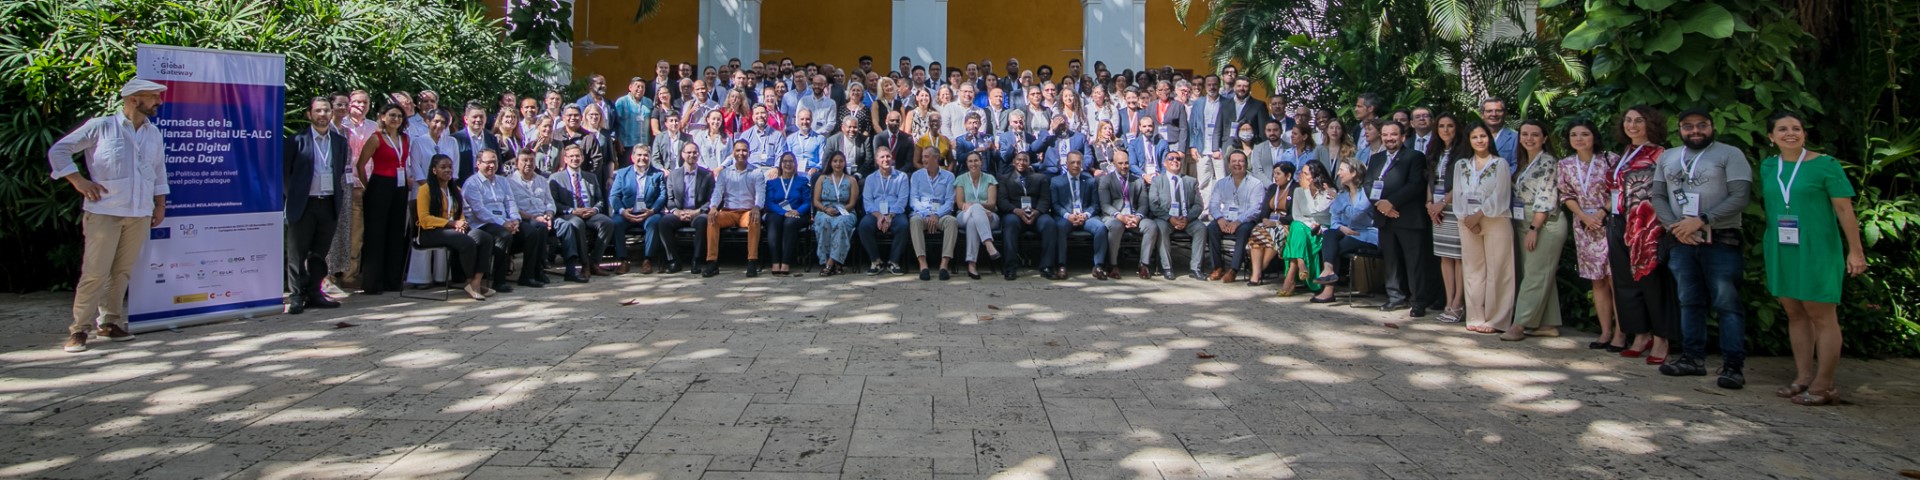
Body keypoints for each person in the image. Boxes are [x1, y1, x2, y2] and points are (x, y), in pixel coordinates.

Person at [1759, 111, 1866, 406]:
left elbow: (1845, 210)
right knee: (1794, 312)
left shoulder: (1826, 165)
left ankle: (1824, 383)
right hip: (1782, 248)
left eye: (1796, 128)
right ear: (1771, 137)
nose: (1790, 133)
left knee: (1821, 314)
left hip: (1817, 249)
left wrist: (1855, 250)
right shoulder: (1769, 166)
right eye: (1782, 129)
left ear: (1804, 134)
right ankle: (1803, 376)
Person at [1651, 108, 1753, 387]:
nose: (1695, 131)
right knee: (1689, 301)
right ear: (1680, 129)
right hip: (1682, 240)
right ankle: (1692, 359)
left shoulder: (1730, 154)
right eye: (1688, 126)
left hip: (1720, 238)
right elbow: (1657, 195)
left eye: (1701, 125)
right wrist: (1676, 227)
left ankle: (1733, 366)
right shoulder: (1669, 156)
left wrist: (1702, 220)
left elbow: (1740, 196)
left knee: (1727, 304)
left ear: (1712, 126)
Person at [1609, 105, 1679, 363]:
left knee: (1652, 282)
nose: (1632, 125)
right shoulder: (1624, 153)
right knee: (1625, 283)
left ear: (1651, 123)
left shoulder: (1661, 154)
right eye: (1628, 120)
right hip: (1618, 222)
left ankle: (1661, 339)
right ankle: (1640, 334)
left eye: (1639, 120)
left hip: (1647, 227)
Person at [284, 95, 351, 315]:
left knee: (319, 254)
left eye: (326, 111)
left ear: (332, 114)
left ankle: (314, 292)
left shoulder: (340, 142)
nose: (322, 115)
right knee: (297, 253)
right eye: (318, 111)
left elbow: (340, 170)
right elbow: (285, 174)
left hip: (329, 203)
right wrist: (291, 196)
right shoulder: (296, 141)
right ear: (309, 114)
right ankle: (296, 296)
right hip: (304, 204)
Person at [1558, 119, 1620, 349]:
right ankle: (1605, 331)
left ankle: (1621, 333)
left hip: (1608, 223)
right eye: (1574, 134)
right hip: (1584, 226)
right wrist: (1584, 217)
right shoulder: (1565, 164)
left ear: (1594, 136)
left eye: (1585, 134)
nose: (1580, 139)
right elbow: (1565, 195)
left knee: (1615, 278)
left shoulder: (1609, 159)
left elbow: (1618, 190)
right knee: (1597, 281)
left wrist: (1602, 214)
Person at [1367, 121, 1436, 317]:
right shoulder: (1376, 158)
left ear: (1403, 136)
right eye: (1386, 135)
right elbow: (1368, 184)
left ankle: (1418, 301)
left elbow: (1415, 185)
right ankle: (1395, 297)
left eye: (1393, 134)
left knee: (1414, 262)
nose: (1389, 138)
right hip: (1384, 217)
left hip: (1408, 218)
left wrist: (1392, 203)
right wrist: (1381, 205)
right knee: (1391, 260)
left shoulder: (1414, 157)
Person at [1506, 119, 1567, 340]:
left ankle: (1519, 325)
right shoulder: (1525, 162)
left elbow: (1546, 198)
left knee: (1534, 275)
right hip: (1525, 221)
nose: (1529, 138)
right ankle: (1547, 324)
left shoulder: (1548, 161)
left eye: (1534, 134)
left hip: (1544, 223)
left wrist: (1534, 227)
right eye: (1525, 134)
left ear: (1544, 138)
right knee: (1539, 272)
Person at [1454, 123, 1516, 334]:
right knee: (1473, 269)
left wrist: (1478, 215)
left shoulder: (1500, 164)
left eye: (1483, 136)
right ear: (1468, 141)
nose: (1479, 140)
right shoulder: (1461, 165)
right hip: (1467, 222)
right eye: (1474, 137)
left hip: (1495, 219)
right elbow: (1459, 194)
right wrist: (1467, 218)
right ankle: (1475, 316)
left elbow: (1501, 196)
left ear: (1489, 139)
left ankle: (1497, 319)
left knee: (1499, 269)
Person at [414, 155, 494, 301]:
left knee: (485, 238)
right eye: (443, 167)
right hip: (431, 232)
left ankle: (476, 282)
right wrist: (452, 224)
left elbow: (461, 215)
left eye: (450, 167)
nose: (448, 170)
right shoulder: (425, 190)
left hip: (454, 230)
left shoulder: (455, 189)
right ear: (434, 170)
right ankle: (469, 282)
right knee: (466, 242)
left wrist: (461, 224)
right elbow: (424, 219)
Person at [354, 103, 414, 295]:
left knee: (396, 234)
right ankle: (373, 282)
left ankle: (392, 280)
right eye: (392, 115)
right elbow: (361, 164)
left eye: (399, 116)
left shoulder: (405, 139)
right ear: (382, 117)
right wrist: (368, 186)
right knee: (376, 235)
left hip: (400, 186)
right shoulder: (376, 138)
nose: (395, 119)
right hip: (379, 186)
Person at [1311, 159, 1379, 303]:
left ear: (1353, 173)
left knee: (1334, 247)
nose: (1339, 173)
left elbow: (1356, 213)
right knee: (1329, 233)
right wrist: (1342, 228)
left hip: (1366, 233)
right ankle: (1328, 270)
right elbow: (1334, 219)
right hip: (1347, 230)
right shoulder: (1342, 195)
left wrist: (1337, 200)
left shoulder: (1365, 193)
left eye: (1342, 170)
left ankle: (1328, 290)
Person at [550, 144, 616, 282]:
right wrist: (572, 211)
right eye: (571, 156)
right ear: (565, 159)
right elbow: (554, 203)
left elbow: (600, 200)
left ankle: (595, 262)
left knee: (608, 223)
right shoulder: (556, 178)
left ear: (582, 158)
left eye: (577, 156)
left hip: (589, 213)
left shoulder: (590, 177)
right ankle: (584, 264)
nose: (575, 159)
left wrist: (594, 210)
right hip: (569, 214)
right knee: (577, 223)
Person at [1424, 113, 1467, 323]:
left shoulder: (1463, 152)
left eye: (1450, 126)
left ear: (1456, 128)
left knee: (1458, 257)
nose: (1446, 130)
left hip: (1454, 208)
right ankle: (1448, 301)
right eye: (1441, 126)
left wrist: (1442, 203)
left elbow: (1460, 183)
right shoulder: (1435, 151)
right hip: (1436, 209)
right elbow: (1430, 180)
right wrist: (1429, 203)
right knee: (1444, 256)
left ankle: (1459, 303)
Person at [460, 150, 520, 294]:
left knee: (533, 232)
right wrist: (503, 223)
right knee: (503, 235)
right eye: (488, 162)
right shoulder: (472, 183)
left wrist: (515, 220)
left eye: (494, 162)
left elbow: (510, 201)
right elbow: (479, 211)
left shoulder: (502, 180)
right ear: (478, 164)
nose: (492, 166)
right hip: (481, 224)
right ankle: (499, 281)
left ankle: (530, 275)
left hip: (504, 221)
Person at [705, 140, 768, 277]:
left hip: (747, 212)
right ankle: (712, 262)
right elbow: (717, 192)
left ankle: (752, 261)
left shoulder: (756, 172)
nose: (741, 153)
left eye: (744, 150)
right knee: (712, 219)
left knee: (754, 218)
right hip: (729, 212)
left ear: (749, 153)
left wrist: (757, 207)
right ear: (733, 153)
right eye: (738, 150)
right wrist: (713, 207)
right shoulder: (725, 173)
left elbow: (760, 193)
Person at [1206, 151, 1267, 283]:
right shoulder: (1221, 183)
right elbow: (1214, 205)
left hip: (1245, 220)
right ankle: (1217, 267)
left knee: (1244, 231)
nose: (1237, 164)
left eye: (1241, 161)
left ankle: (1233, 269)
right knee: (1211, 228)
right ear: (1229, 164)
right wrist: (1220, 219)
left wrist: (1238, 222)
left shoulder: (1256, 184)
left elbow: (1255, 208)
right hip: (1225, 218)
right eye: (1234, 161)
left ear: (1246, 164)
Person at [1145, 152, 1207, 281]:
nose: (1175, 161)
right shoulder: (1157, 180)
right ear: (1164, 163)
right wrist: (1169, 218)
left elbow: (1198, 205)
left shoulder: (1191, 181)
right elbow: (1153, 204)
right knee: (1160, 228)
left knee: (1201, 228)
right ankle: (1167, 268)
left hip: (1187, 219)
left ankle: (1196, 268)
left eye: (1178, 159)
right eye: (1171, 159)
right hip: (1166, 219)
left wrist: (1188, 218)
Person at [609, 145, 668, 274]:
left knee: (654, 223)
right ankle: (623, 260)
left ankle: (647, 259)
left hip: (649, 212)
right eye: (639, 155)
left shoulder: (657, 174)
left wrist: (652, 210)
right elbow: (614, 196)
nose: (643, 158)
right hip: (627, 211)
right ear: (632, 157)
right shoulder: (622, 173)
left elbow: (662, 196)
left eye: (646, 155)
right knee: (615, 223)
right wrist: (622, 211)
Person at [1048, 152, 1106, 280]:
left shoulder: (1090, 181)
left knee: (1101, 227)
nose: (1075, 165)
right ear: (1066, 164)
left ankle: (1098, 266)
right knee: (1060, 227)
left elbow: (1095, 204)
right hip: (1066, 217)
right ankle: (1061, 265)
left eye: (1078, 162)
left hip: (1085, 216)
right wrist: (1068, 215)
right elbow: (1055, 204)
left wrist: (1085, 215)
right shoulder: (1056, 181)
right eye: (1072, 162)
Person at [658, 142, 715, 273]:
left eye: (695, 152)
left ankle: (697, 260)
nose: (692, 155)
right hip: (679, 212)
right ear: (683, 155)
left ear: (699, 155)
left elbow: (712, 199)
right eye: (688, 152)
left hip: (698, 212)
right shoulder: (673, 175)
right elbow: (669, 198)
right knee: (664, 223)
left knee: (702, 221)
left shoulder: (707, 175)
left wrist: (697, 211)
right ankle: (673, 261)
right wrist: (676, 212)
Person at [1281, 161, 1334, 296]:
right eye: (1301, 173)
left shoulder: (1329, 191)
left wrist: (1306, 190)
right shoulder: (1298, 191)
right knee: (1296, 226)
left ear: (1315, 177)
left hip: (1322, 229)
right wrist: (1310, 224)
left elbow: (1315, 210)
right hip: (1305, 227)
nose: (1301, 176)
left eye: (1305, 174)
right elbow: (1297, 215)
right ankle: (1300, 263)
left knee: (1296, 231)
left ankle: (1291, 276)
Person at [998, 152, 1054, 280]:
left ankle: (1047, 266)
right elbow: (1002, 201)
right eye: (1018, 160)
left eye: (1025, 160)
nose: (1021, 162)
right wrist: (1017, 211)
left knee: (1049, 224)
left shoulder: (1040, 178)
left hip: (1036, 213)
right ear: (1013, 162)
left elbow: (1045, 199)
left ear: (1029, 163)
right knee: (1009, 224)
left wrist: (1037, 211)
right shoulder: (1004, 178)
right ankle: (1010, 267)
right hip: (1015, 214)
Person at [504, 151, 555, 287]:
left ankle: (536, 271)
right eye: (524, 160)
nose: (528, 164)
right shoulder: (509, 182)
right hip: (522, 219)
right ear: (516, 163)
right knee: (538, 228)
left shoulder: (542, 180)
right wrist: (533, 217)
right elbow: (512, 207)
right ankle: (535, 271)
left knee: (542, 226)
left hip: (543, 218)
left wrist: (548, 215)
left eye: (531, 161)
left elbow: (550, 202)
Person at [908, 146, 959, 280]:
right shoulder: (916, 176)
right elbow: (913, 200)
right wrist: (927, 215)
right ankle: (923, 264)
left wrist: (937, 215)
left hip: (941, 215)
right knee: (914, 221)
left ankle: (944, 265)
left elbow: (949, 201)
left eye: (926, 156)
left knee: (952, 221)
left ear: (936, 158)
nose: (922, 160)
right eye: (923, 156)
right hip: (923, 214)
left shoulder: (949, 176)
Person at [860, 149, 913, 274]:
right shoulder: (870, 178)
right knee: (864, 226)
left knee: (903, 226)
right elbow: (867, 201)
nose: (886, 159)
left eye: (888, 156)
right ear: (877, 161)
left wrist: (889, 215)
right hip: (875, 212)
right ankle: (876, 261)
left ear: (892, 158)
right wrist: (879, 216)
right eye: (882, 157)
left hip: (895, 213)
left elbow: (902, 200)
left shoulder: (902, 177)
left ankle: (893, 262)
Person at [1098, 151, 1149, 279]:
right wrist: (1120, 216)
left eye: (1126, 163)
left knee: (1151, 226)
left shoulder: (1138, 181)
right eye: (1120, 163)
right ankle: (1113, 265)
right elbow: (1104, 205)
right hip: (1114, 216)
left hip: (1134, 216)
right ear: (1114, 164)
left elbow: (1143, 204)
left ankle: (1143, 264)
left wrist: (1137, 217)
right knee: (1116, 226)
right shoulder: (1106, 180)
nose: (1124, 166)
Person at [954, 152, 1003, 279]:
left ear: (981, 162)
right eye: (970, 161)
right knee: (974, 210)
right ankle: (989, 244)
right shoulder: (961, 179)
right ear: (966, 163)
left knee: (973, 221)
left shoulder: (990, 179)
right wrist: (978, 207)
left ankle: (972, 264)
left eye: (976, 160)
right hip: (964, 215)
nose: (973, 164)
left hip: (990, 216)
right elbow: (960, 204)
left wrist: (976, 206)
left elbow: (992, 204)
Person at [1248, 162, 1298, 286]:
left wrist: (1277, 222)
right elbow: (1265, 209)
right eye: (1274, 174)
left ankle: (1259, 271)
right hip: (1269, 222)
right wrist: (1264, 219)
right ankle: (1257, 273)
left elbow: (1295, 214)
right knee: (1257, 232)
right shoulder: (1272, 188)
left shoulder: (1296, 189)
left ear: (1288, 175)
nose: (1275, 177)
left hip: (1285, 223)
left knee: (1275, 234)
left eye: (1278, 174)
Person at [812, 151, 862, 275]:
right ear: (830, 163)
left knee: (841, 223)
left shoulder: (851, 180)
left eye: (841, 161)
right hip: (825, 210)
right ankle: (837, 263)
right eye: (835, 161)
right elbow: (816, 201)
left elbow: (852, 203)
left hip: (845, 211)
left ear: (845, 163)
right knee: (824, 221)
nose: (838, 164)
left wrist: (841, 211)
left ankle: (830, 264)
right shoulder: (822, 178)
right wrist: (825, 209)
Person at [763, 153, 811, 276]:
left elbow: (807, 201)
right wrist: (784, 213)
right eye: (785, 161)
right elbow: (769, 202)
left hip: (798, 214)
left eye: (791, 161)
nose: (788, 164)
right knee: (774, 221)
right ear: (780, 164)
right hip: (777, 213)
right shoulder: (772, 183)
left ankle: (786, 262)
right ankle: (775, 261)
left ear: (795, 164)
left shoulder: (802, 181)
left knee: (790, 223)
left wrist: (798, 211)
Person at [1482, 98, 1519, 169]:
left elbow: (1516, 165)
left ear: (1504, 113)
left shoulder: (1515, 137)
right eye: (1489, 111)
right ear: (1482, 114)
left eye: (1498, 111)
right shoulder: (1474, 137)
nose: (1494, 114)